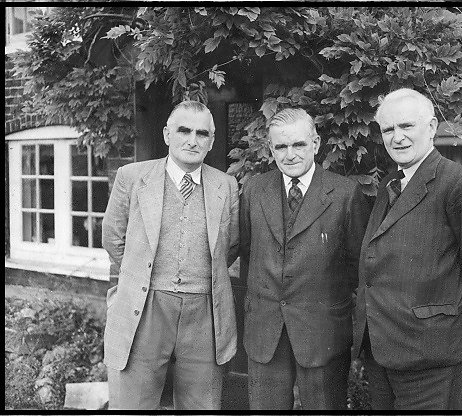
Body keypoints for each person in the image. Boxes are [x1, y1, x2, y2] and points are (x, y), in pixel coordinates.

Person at [353, 88, 462, 410]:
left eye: (406, 126)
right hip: (383, 349)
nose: (397, 137)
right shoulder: (391, 185)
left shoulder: (458, 184)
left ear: (432, 127)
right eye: (388, 129)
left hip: (431, 353)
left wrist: (451, 318)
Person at [101, 101, 239, 410]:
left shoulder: (226, 185)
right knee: (134, 403)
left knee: (201, 405)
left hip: (205, 311)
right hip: (146, 305)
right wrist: (141, 276)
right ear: (166, 135)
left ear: (212, 141)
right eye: (184, 131)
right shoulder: (132, 177)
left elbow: (231, 246)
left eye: (202, 133)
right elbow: (113, 238)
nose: (193, 140)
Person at [240, 108, 370, 410]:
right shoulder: (255, 190)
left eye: (298, 144)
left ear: (315, 143)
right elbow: (249, 251)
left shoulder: (344, 193)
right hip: (265, 332)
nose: (290, 154)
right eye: (281, 146)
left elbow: (357, 268)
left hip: (322, 332)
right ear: (271, 148)